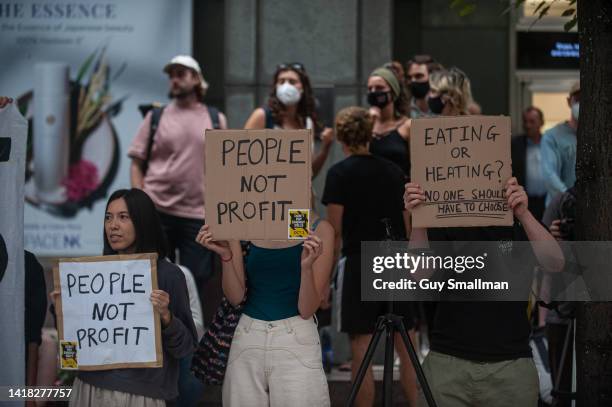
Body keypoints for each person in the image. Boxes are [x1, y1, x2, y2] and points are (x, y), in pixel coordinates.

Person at [405, 175, 564, 407]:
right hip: (447, 365)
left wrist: (523, 214)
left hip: (511, 367)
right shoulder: (443, 217)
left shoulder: (514, 217)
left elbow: (555, 263)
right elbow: (419, 275)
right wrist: (419, 219)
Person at [51, 189, 197, 406]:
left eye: (123, 217)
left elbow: (185, 349)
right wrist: (62, 312)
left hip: (143, 395)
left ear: (143, 222)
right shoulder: (90, 276)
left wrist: (166, 317)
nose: (113, 226)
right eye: (108, 218)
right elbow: (72, 353)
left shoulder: (167, 275)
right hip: (88, 387)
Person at [323, 106, 417, 406]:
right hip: (396, 258)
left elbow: (334, 232)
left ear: (342, 139)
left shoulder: (338, 174)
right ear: (370, 135)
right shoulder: (394, 171)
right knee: (408, 348)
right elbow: (408, 225)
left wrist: (325, 279)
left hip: (358, 261)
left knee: (361, 351)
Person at [195, 213, 335, 407]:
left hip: (295, 337)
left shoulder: (315, 227)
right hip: (247, 336)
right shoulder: (244, 222)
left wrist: (306, 268)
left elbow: (307, 309)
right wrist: (225, 255)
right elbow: (235, 297)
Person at [128, 55, 228, 311]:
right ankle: (159, 335)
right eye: (171, 74)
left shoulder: (216, 119)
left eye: (181, 73)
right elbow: (137, 162)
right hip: (158, 210)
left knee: (198, 279)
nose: (174, 79)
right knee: (155, 278)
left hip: (198, 214)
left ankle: (187, 334)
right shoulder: (156, 117)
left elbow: (224, 168)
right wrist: (140, 202)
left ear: (196, 79)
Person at [244, 62, 334, 178]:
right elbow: (242, 163)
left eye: (292, 82)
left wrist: (324, 149)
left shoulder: (307, 123)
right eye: (281, 81)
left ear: (303, 88)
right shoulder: (262, 116)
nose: (286, 86)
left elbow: (308, 175)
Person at [366, 66, 412, 177]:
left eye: (379, 88)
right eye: (370, 88)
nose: (374, 92)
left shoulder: (407, 126)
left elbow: (416, 165)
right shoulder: (365, 123)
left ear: (393, 92)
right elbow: (359, 159)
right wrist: (368, 124)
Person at [541, 81, 580, 205]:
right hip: (560, 208)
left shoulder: (600, 139)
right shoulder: (552, 136)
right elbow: (550, 175)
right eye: (578, 100)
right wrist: (569, 198)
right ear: (569, 102)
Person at [512, 106, 548, 220]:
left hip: (547, 201)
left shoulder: (550, 144)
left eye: (532, 121)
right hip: (525, 201)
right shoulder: (515, 144)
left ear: (541, 122)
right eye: (525, 121)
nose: (527, 125)